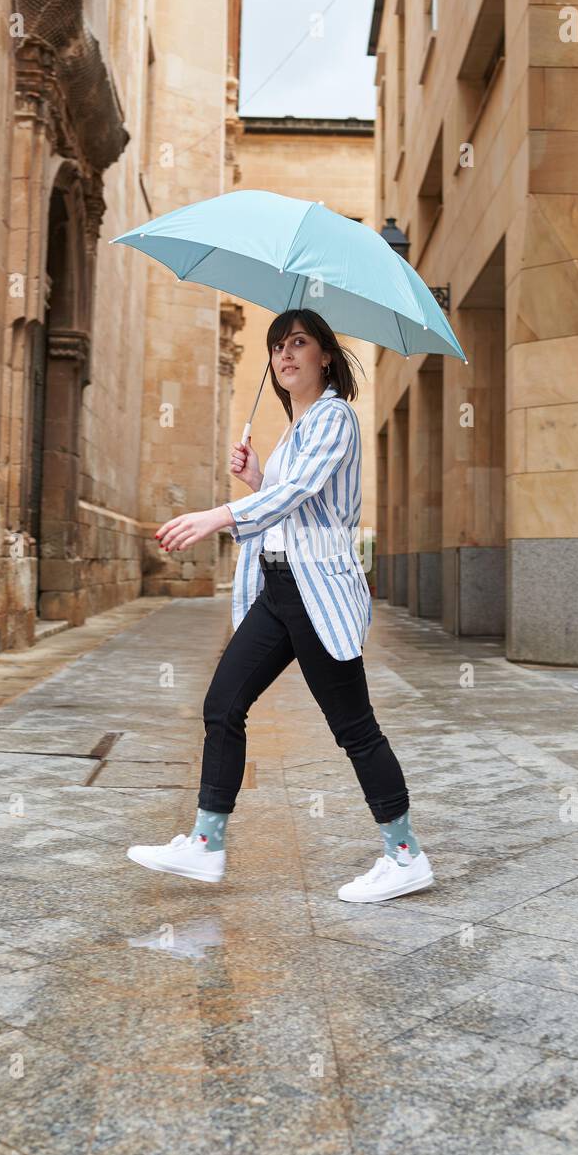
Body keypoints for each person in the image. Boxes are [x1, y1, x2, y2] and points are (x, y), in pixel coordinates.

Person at [127, 309, 433, 903]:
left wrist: (219, 514)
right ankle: (206, 845)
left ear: (325, 355)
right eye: (275, 347)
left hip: (316, 588)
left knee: (354, 728)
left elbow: (300, 496)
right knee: (223, 704)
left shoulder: (336, 417)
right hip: (278, 589)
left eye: (298, 343)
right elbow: (287, 499)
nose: (284, 354)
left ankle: (405, 856)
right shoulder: (296, 431)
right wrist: (256, 479)